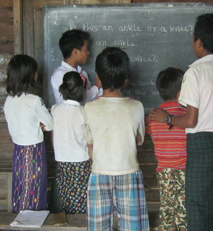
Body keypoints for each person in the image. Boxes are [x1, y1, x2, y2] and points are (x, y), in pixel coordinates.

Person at [150, 13, 213, 230]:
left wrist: (168, 119)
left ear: (198, 42)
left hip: (200, 147)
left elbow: (191, 120)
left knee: (198, 207)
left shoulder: (194, 73)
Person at [83, 47, 149, 230]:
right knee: (133, 226)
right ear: (126, 79)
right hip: (129, 173)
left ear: (98, 76)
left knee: (99, 227)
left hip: (100, 173)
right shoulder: (136, 106)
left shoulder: (89, 107)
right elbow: (138, 140)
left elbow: (90, 144)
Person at [4, 54, 53, 212]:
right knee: (35, 190)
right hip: (34, 152)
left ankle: (19, 223)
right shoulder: (34, 100)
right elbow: (51, 124)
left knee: (21, 189)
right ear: (30, 76)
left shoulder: (9, 100)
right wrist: (39, 126)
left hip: (18, 152)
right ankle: (32, 225)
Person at [146, 67, 187, 231]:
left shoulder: (153, 117)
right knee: (183, 212)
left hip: (164, 170)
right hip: (185, 170)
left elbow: (154, 140)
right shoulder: (186, 115)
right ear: (180, 92)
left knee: (167, 210)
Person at [51, 71, 92, 214]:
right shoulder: (84, 111)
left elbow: (53, 135)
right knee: (81, 202)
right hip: (81, 163)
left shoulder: (55, 109)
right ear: (82, 91)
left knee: (65, 200)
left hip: (62, 163)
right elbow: (89, 138)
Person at [51, 29, 102, 105]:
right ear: (75, 52)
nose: (88, 53)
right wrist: (97, 86)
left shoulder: (82, 73)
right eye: (86, 49)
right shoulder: (60, 75)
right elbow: (78, 100)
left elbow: (92, 98)